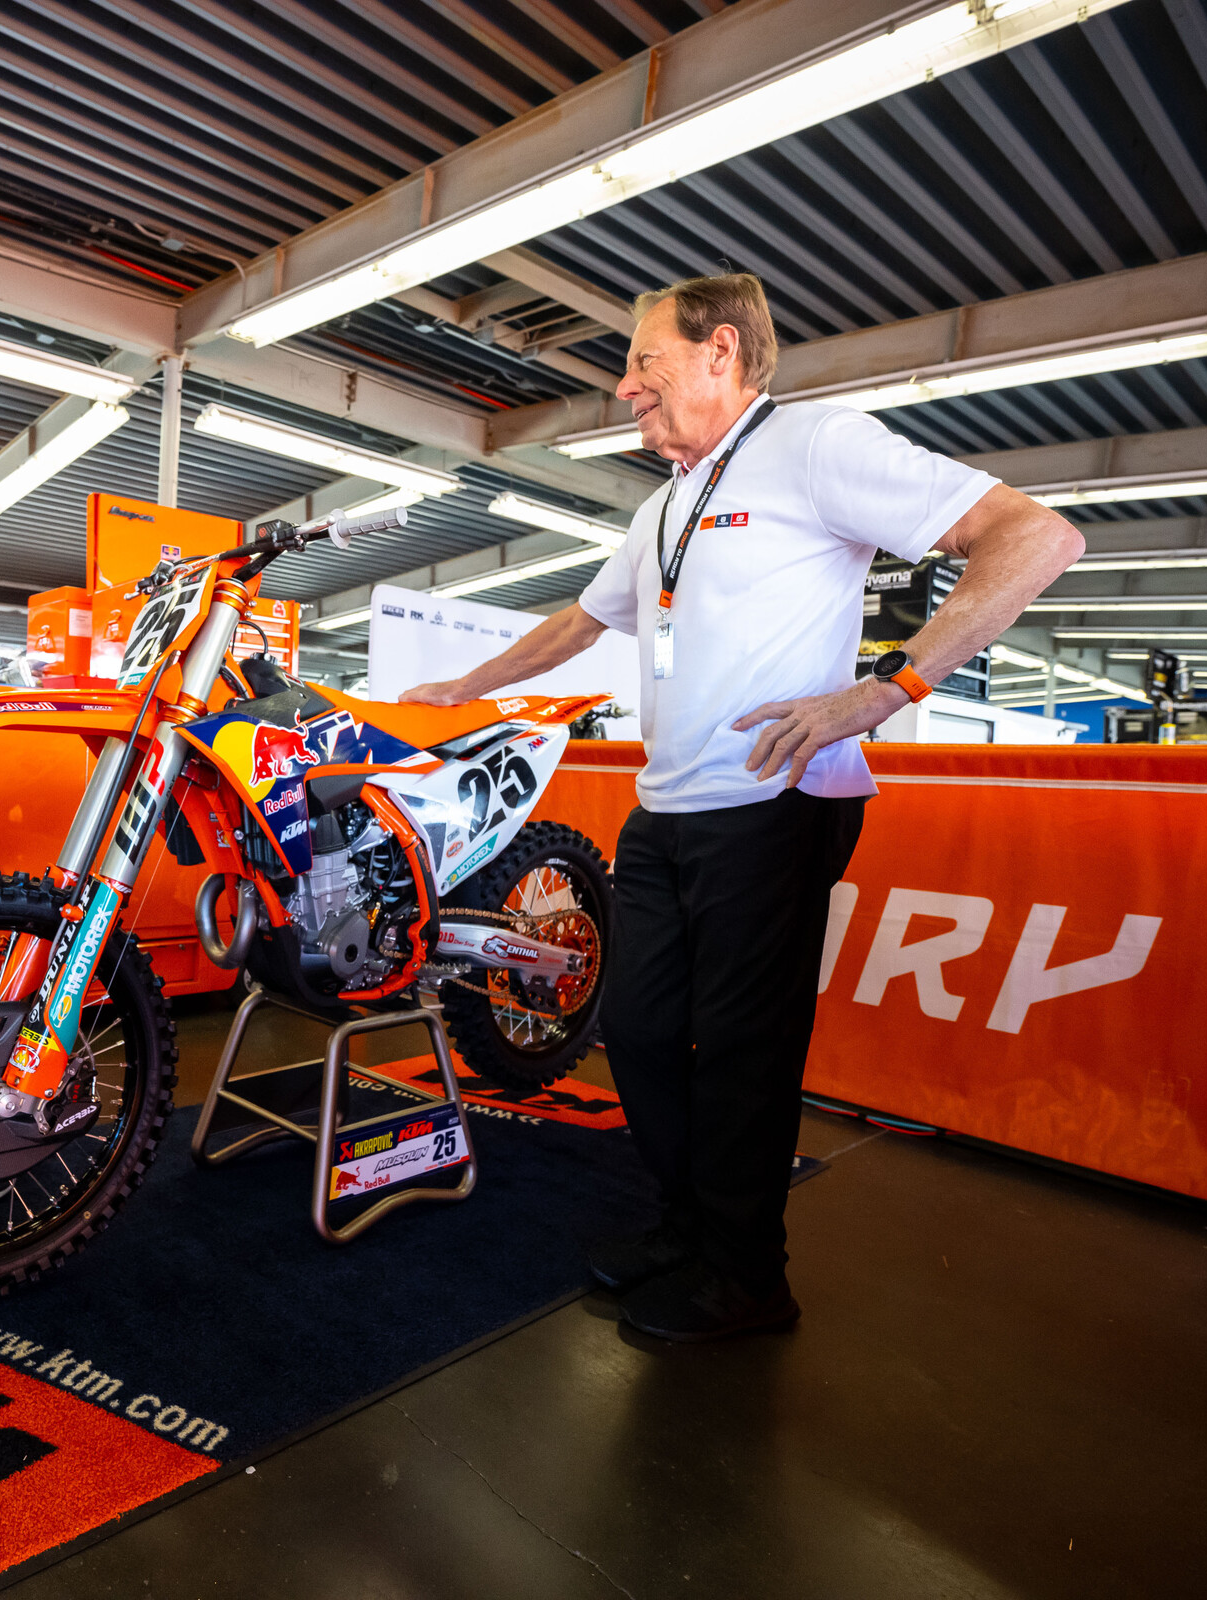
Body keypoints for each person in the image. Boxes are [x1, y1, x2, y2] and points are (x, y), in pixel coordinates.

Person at [403, 274, 1083, 1341]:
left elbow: (1035, 536)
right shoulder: (665, 502)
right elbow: (582, 624)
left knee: (740, 1056)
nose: (626, 387)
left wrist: (886, 688)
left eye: (645, 362)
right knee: (631, 1028)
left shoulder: (815, 446)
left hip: (773, 804)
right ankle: (686, 1226)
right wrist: (463, 689)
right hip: (666, 809)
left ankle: (750, 1280)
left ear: (721, 351)